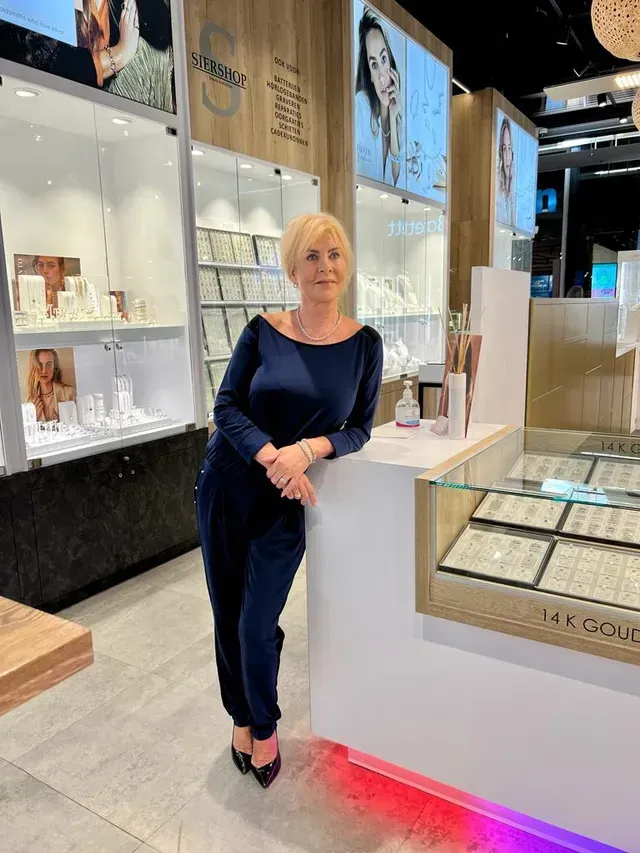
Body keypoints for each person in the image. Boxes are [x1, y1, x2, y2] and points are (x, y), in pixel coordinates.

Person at [195, 213, 383, 789]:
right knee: (227, 613)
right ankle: (242, 719)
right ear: (293, 270)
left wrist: (307, 449)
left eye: (334, 255)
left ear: (346, 265)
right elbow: (226, 407)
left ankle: (265, 722)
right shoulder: (262, 331)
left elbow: (359, 428)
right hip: (228, 483)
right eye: (312, 256)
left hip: (285, 501)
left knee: (258, 621)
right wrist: (275, 456)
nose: (325, 267)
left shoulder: (364, 345)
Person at [355, 6, 403, 187]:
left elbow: (395, 179)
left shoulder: (398, 118)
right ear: (370, 75)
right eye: (374, 65)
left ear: (390, 60)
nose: (382, 77)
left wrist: (393, 116)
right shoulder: (361, 106)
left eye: (383, 59)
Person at [26, 349, 76, 422]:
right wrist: (34, 417)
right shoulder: (29, 401)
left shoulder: (69, 394)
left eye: (49, 364)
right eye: (39, 364)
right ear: (34, 367)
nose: (44, 370)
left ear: (54, 368)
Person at [497, 115, 515, 227]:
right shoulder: (496, 189)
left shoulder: (517, 189)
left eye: (509, 148)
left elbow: (513, 228)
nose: (507, 156)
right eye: (504, 149)